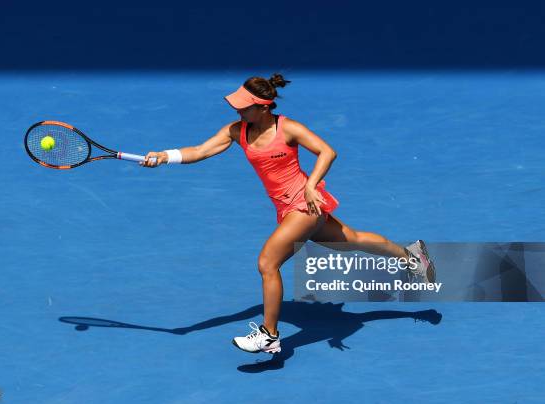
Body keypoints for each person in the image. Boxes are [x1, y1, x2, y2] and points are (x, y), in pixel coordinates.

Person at [142, 74, 435, 354]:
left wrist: (310, 186)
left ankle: (269, 335)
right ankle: (412, 258)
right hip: (288, 208)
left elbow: (327, 152)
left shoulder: (289, 128)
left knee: (267, 263)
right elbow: (200, 150)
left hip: (305, 205)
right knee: (352, 239)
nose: (238, 110)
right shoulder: (236, 131)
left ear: (263, 107)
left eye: (244, 107)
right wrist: (164, 156)